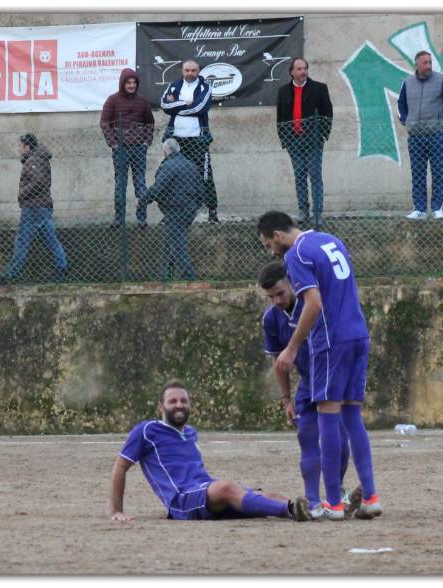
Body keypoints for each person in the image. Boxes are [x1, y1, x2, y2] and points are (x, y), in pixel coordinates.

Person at [256, 211, 381, 521]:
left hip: (330, 340)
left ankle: (333, 505)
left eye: (268, 244)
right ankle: (371, 497)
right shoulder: (331, 240)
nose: (271, 251)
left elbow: (313, 303)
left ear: (277, 235)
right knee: (352, 416)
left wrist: (293, 346)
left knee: (328, 419)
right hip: (358, 334)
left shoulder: (296, 254)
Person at [109, 380, 313, 522]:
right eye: (173, 401)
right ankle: (291, 510)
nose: (179, 405)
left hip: (205, 491)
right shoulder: (146, 430)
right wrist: (117, 511)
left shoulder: (190, 432)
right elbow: (120, 466)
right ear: (161, 407)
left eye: (183, 401)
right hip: (181, 500)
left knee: (266, 494)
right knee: (226, 488)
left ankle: (310, 511)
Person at [258, 260, 351, 518]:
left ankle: (338, 491)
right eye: (270, 296)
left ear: (292, 284)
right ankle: (312, 502)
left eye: (280, 293)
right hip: (307, 384)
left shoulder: (314, 305)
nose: (276, 300)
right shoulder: (271, 318)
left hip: (332, 379)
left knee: (338, 438)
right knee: (307, 437)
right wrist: (286, 399)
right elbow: (279, 363)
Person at [0, 133, 68, 284]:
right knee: (50, 240)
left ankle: (10, 275)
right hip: (41, 207)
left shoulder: (34, 161)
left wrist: (22, 194)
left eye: (20, 145)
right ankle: (62, 268)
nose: (19, 149)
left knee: (22, 241)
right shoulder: (39, 158)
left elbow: (38, 181)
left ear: (27, 146)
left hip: (33, 208)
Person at [397, 51, 443, 220]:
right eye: (425, 63)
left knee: (438, 172)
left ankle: (437, 208)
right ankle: (419, 209)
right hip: (415, 137)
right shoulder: (407, 83)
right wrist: (406, 120)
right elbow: (401, 104)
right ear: (417, 64)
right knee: (417, 173)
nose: (428, 66)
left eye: (430, 62)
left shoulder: (441, 80)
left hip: (436, 135)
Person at [276, 57, 333, 227]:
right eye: (299, 69)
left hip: (314, 141)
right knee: (299, 176)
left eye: (305, 68)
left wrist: (322, 135)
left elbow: (327, 113)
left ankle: (317, 213)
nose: (303, 72)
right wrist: (285, 139)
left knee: (315, 176)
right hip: (294, 141)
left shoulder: (319, 89)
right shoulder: (283, 91)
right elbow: (280, 118)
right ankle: (303, 210)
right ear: (292, 72)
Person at [160, 60, 219, 223]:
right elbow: (164, 104)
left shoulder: (204, 86)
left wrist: (176, 107)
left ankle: (212, 212)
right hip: (175, 139)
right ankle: (169, 214)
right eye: (187, 70)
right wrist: (184, 104)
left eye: (193, 70)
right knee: (171, 175)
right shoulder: (174, 85)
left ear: (198, 70)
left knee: (205, 176)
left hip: (198, 140)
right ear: (182, 70)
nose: (190, 73)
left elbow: (200, 108)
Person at [142, 139, 203, 280]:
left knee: (177, 240)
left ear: (165, 152)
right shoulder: (191, 165)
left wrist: (143, 200)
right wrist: (194, 206)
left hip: (174, 209)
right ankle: (166, 274)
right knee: (170, 239)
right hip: (189, 209)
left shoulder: (168, 166)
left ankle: (188, 274)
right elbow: (201, 189)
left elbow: (158, 188)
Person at [100, 68, 155, 226]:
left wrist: (146, 142)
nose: (131, 85)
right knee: (120, 186)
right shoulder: (112, 100)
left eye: (134, 83)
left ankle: (142, 219)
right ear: (122, 83)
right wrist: (114, 144)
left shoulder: (143, 101)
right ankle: (119, 219)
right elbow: (104, 123)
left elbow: (150, 122)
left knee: (140, 184)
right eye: (128, 82)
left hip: (139, 149)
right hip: (120, 150)